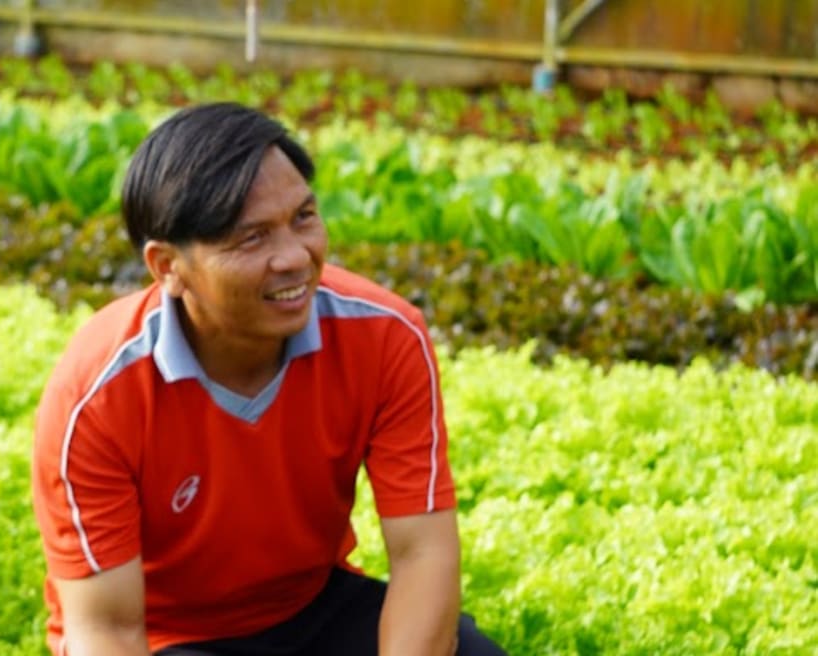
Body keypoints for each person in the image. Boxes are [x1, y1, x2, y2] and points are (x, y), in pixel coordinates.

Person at [32, 102, 506, 656]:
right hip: (168, 635)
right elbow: (107, 630)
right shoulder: (96, 396)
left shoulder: (385, 336)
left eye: (303, 218)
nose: (294, 257)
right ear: (167, 267)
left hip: (311, 607)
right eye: (251, 238)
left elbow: (422, 553)